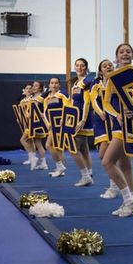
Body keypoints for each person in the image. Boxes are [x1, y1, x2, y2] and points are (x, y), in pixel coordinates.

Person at [102, 43, 133, 217]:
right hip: (118, 124)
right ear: (117, 57)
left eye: (128, 51)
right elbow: (106, 102)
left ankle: (129, 199)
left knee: (107, 162)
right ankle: (132, 204)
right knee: (124, 165)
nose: (125, 54)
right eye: (121, 52)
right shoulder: (112, 77)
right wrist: (117, 115)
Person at [90, 59, 120, 199]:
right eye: (104, 65)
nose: (108, 66)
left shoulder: (118, 81)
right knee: (103, 155)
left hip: (116, 119)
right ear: (100, 71)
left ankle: (115, 186)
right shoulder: (96, 85)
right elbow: (93, 100)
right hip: (102, 121)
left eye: (110, 65)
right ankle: (114, 184)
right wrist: (100, 112)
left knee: (110, 157)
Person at [70, 58, 95, 187]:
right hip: (75, 119)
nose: (79, 68)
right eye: (77, 65)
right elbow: (72, 103)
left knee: (72, 148)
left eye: (82, 66)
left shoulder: (86, 82)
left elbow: (87, 102)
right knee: (84, 149)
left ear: (86, 67)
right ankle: (89, 174)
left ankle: (85, 176)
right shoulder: (75, 83)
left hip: (83, 119)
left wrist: (82, 120)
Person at [43, 77, 68, 178]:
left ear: (59, 85)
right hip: (52, 125)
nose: (54, 85)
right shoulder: (47, 98)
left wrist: (64, 119)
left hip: (61, 124)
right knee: (54, 146)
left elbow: (68, 107)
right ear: (49, 85)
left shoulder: (63, 95)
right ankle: (60, 168)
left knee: (53, 146)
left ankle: (60, 167)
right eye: (52, 83)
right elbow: (44, 113)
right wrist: (47, 123)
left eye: (56, 83)